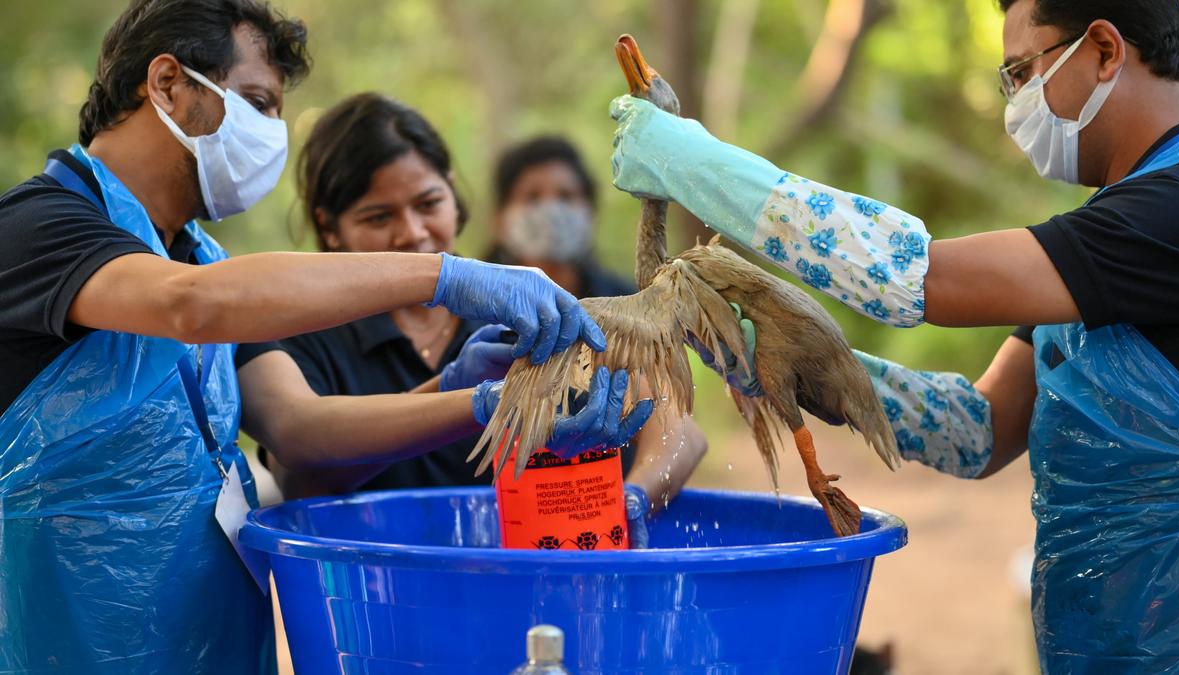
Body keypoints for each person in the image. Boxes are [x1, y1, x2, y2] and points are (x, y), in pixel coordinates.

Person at [0, 2, 650, 672]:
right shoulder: (42, 226)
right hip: (67, 642)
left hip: (211, 641)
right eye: (254, 101)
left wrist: (474, 396)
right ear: (166, 82)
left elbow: (299, 424)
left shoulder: (203, 259)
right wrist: (445, 275)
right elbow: (187, 307)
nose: (270, 133)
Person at [608, 0, 1179, 672]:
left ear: (1103, 50)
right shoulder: (1105, 237)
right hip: (1105, 643)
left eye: (1020, 72)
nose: (1015, 106)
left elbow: (919, 278)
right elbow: (978, 428)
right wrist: (793, 355)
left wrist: (699, 163)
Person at [265, 94, 706, 510]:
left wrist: (634, 497)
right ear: (329, 228)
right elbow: (299, 480)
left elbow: (678, 429)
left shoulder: (520, 306)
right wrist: (458, 394)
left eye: (428, 203)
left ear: (453, 195)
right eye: (378, 217)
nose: (412, 233)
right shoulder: (304, 332)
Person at [488, 136, 635, 298]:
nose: (552, 211)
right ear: (500, 219)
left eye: (566, 196)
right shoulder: (474, 307)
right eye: (532, 197)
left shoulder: (627, 302)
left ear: (591, 212)